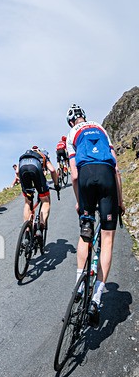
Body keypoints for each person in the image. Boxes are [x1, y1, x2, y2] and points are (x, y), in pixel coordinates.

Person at [66, 104, 125, 325]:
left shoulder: (73, 133)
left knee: (85, 233)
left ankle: (79, 286)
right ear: (85, 117)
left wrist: (80, 203)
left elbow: (73, 175)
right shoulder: (100, 128)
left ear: (71, 121)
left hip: (86, 175)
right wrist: (119, 202)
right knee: (107, 240)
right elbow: (117, 169)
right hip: (107, 175)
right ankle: (96, 299)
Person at [17, 146, 59, 235]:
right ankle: (41, 226)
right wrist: (56, 185)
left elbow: (17, 172)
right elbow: (52, 170)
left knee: (27, 202)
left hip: (22, 169)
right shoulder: (43, 155)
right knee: (45, 201)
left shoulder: (25, 155)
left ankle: (27, 231)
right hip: (35, 169)